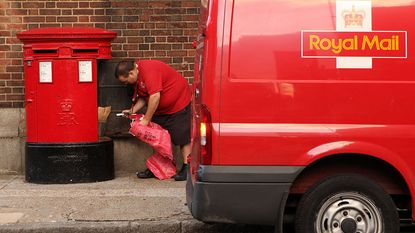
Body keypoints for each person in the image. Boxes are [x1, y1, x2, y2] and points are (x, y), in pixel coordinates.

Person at [114, 59, 191, 181]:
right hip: (161, 109)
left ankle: (188, 167)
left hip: (179, 104)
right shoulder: (138, 78)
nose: (126, 84)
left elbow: (155, 96)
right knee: (157, 138)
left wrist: (146, 119)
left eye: (126, 81)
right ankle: (158, 167)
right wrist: (132, 111)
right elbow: (145, 98)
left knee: (182, 137)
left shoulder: (149, 71)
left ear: (131, 74)